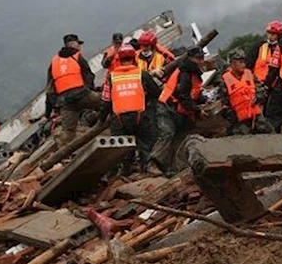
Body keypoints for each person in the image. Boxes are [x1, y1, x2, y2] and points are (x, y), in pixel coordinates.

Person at [99, 44, 161, 172]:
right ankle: (148, 167)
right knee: (147, 142)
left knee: (122, 149)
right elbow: (156, 93)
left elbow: (106, 102)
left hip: (119, 119)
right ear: (134, 58)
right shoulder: (142, 74)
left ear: (119, 60)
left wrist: (101, 119)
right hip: (140, 116)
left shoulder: (111, 77)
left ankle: (124, 170)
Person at [151, 47, 208, 175]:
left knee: (180, 137)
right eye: (199, 58)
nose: (201, 61)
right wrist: (198, 110)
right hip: (167, 106)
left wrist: (202, 100)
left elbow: (192, 94)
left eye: (202, 58)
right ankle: (153, 163)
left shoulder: (193, 73)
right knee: (167, 133)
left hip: (177, 108)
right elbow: (184, 96)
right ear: (191, 59)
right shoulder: (185, 73)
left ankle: (173, 167)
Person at [46, 34, 101, 144]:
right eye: (78, 44)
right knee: (106, 103)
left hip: (66, 102)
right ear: (74, 45)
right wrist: (89, 90)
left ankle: (64, 156)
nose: (80, 47)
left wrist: (49, 111)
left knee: (68, 132)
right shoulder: (77, 56)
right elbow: (89, 76)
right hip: (83, 95)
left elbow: (50, 89)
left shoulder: (54, 62)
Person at [218, 49, 273, 135]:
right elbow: (224, 102)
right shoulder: (225, 80)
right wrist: (230, 114)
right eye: (240, 62)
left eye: (244, 62)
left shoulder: (250, 74)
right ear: (232, 63)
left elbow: (261, 90)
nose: (243, 65)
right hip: (240, 118)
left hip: (256, 115)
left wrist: (258, 97)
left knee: (269, 133)